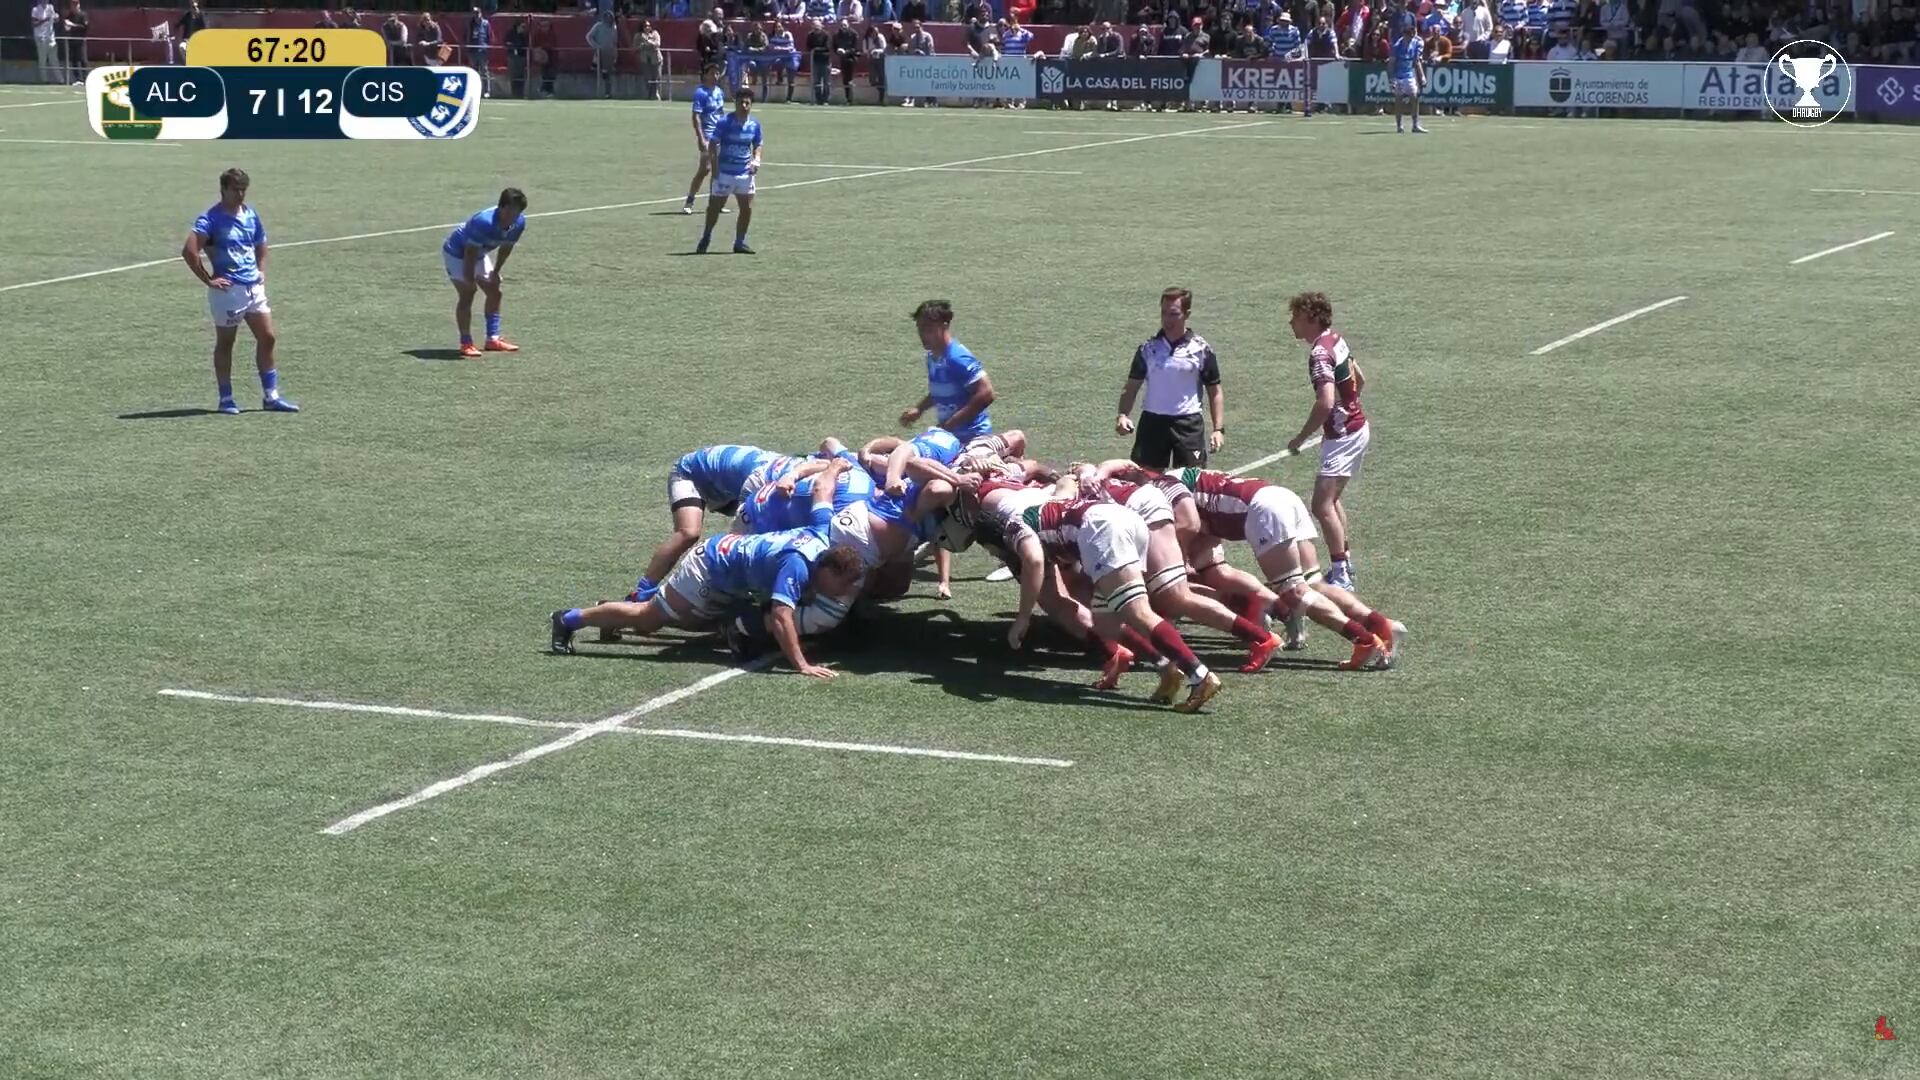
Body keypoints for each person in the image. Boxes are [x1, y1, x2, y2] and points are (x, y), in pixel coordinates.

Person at [552, 468, 866, 680]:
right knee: (649, 619)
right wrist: (802, 665)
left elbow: (823, 488)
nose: (841, 592)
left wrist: (835, 467)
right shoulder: (797, 563)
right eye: (840, 584)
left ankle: (615, 616)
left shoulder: (823, 534)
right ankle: (568, 619)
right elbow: (783, 617)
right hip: (709, 567)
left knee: (700, 623)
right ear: (828, 568)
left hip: (734, 572)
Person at [181, 169, 296, 415]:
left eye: (244, 189)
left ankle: (271, 396)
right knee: (226, 343)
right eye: (236, 189)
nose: (240, 194)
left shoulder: (250, 214)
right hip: (229, 291)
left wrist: (260, 271)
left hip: (253, 288)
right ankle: (226, 399)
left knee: (268, 337)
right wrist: (209, 280)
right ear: (223, 189)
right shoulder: (210, 219)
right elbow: (190, 251)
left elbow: (261, 245)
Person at [634, 444, 802, 603]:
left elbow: (828, 442)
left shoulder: (810, 467)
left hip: (726, 486)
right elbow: (737, 542)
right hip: (690, 473)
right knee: (688, 533)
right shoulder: (763, 483)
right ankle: (641, 592)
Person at [1284, 291, 1367, 592]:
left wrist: (1301, 437)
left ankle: (1341, 574)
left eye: (1296, 317)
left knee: (1320, 505)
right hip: (1354, 429)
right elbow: (1360, 376)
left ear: (1311, 319)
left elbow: (1325, 402)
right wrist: (1351, 408)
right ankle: (1345, 560)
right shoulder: (1336, 339)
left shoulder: (1320, 354)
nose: (1291, 322)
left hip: (1343, 437)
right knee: (1331, 501)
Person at [1116, 288, 1224, 470]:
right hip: (1152, 423)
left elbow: (1215, 391)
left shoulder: (1201, 350)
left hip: (1188, 424)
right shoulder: (1148, 349)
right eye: (1164, 313)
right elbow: (1131, 387)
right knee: (1146, 482)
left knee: (1190, 482)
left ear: (1187, 314)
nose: (1167, 319)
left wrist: (1218, 429)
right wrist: (1122, 415)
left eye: (1174, 314)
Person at [441, 188, 528, 357]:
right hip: (457, 253)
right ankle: (466, 342)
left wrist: (496, 272)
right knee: (468, 292)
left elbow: (506, 248)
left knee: (495, 291)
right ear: (501, 207)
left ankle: (492, 339)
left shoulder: (519, 223)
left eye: (517, 211)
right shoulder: (484, 222)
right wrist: (468, 278)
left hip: (479, 254)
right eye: (509, 210)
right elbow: (469, 252)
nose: (513, 215)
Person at [901, 300, 995, 446]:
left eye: (928, 328)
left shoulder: (956, 357)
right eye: (920, 328)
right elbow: (942, 390)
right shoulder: (932, 357)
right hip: (953, 438)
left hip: (974, 438)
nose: (922, 334)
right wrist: (919, 409)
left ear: (945, 325)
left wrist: (948, 426)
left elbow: (986, 393)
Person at [697, 88, 762, 255]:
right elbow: (713, 145)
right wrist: (715, 168)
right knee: (714, 207)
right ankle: (706, 237)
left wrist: (756, 160)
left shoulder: (754, 124)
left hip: (745, 174)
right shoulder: (724, 122)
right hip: (725, 173)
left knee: (746, 208)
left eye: (748, 103)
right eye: (741, 102)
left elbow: (758, 144)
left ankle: (739, 242)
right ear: (736, 103)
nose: (744, 105)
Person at [682, 65, 729, 214]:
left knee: (719, 171)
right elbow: (696, 116)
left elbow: (721, 113)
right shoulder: (701, 93)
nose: (716, 76)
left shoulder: (719, 92)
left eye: (717, 73)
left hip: (720, 135)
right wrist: (701, 138)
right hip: (708, 135)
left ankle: (716, 203)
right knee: (705, 169)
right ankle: (689, 202)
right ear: (706, 75)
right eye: (712, 73)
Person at [1389, 18, 1425, 132]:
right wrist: (1392, 79)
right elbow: (1391, 64)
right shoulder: (1397, 46)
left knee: (1414, 97)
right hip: (1399, 77)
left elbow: (1416, 61)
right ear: (1404, 34)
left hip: (1409, 76)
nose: (1411, 38)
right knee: (1399, 100)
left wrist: (1422, 76)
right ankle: (1399, 125)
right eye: (1409, 35)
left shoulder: (1414, 44)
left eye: (1412, 35)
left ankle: (1415, 125)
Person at [586, 11, 619, 98]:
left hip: (610, 53)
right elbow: (589, 36)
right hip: (599, 52)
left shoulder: (614, 27)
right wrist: (596, 46)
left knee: (607, 74)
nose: (608, 19)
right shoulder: (598, 25)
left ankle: (607, 93)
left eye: (610, 17)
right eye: (607, 17)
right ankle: (592, 93)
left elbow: (615, 42)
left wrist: (615, 54)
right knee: (594, 71)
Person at [58, 0, 88, 86]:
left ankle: (85, 78)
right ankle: (78, 79)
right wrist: (67, 27)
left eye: (76, 4)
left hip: (81, 40)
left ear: (79, 5)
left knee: (83, 60)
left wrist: (72, 25)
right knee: (74, 60)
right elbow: (67, 27)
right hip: (72, 40)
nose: (74, 6)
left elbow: (84, 27)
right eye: (73, 4)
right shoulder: (70, 15)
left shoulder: (83, 15)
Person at [831, 19, 860, 104]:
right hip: (842, 59)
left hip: (852, 58)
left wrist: (846, 51)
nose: (843, 27)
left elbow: (855, 48)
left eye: (845, 25)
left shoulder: (854, 34)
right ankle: (848, 98)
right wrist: (838, 51)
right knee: (845, 79)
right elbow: (834, 46)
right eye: (841, 25)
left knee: (850, 79)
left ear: (848, 25)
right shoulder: (836, 35)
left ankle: (851, 98)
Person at [467, 8, 493, 98]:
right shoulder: (471, 24)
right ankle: (474, 91)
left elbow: (490, 36)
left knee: (484, 71)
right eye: (474, 13)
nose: (476, 15)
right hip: (473, 50)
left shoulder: (486, 23)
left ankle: (487, 91)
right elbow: (467, 36)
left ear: (481, 13)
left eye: (477, 13)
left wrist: (487, 47)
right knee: (474, 72)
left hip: (482, 50)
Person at [31, 0, 58, 84]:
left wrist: (56, 17)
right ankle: (44, 80)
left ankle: (60, 80)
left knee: (54, 60)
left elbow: (55, 20)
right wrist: (45, 20)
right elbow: (34, 24)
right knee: (43, 60)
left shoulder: (51, 7)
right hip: (40, 37)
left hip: (50, 37)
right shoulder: (35, 10)